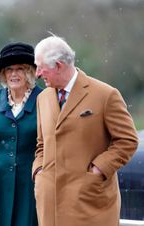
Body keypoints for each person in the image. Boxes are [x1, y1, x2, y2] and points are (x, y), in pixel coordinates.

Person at [32, 35, 139, 226]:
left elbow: (128, 141)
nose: (37, 73)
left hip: (89, 204)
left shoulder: (105, 95)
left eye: (41, 67)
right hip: (49, 204)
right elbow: (41, 143)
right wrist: (39, 171)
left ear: (58, 65)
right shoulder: (43, 98)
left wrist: (98, 170)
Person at [0, 42, 41, 226]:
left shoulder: (44, 99)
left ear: (30, 72)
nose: (13, 74)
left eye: (20, 69)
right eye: (9, 69)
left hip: (31, 183)